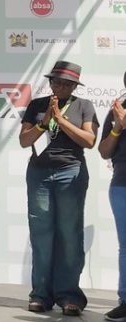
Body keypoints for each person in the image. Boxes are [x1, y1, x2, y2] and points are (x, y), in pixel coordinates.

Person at [19, 61, 99, 316]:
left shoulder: (84, 106)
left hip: (70, 172)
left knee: (69, 233)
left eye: (66, 83)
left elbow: (89, 140)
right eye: (55, 82)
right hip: (39, 174)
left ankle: (68, 295)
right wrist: (44, 122)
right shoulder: (37, 105)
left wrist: (61, 120)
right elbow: (24, 140)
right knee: (41, 234)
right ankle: (40, 295)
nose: (59, 87)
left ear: (75, 86)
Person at [98, 72, 126, 322]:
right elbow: (104, 152)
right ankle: (125, 302)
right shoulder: (118, 110)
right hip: (122, 185)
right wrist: (118, 126)